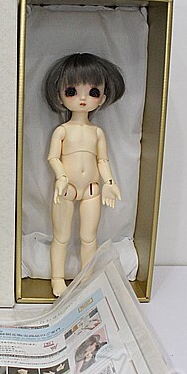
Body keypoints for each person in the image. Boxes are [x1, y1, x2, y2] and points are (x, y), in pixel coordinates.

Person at [45, 53, 125, 296]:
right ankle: (57, 278)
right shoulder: (62, 130)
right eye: (72, 91)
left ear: (103, 97)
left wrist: (109, 182)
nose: (82, 98)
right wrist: (61, 177)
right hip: (66, 189)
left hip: (92, 189)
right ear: (59, 95)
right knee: (61, 237)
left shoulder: (97, 132)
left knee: (89, 238)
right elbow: (53, 157)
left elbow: (102, 160)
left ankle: (87, 277)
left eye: (93, 92)